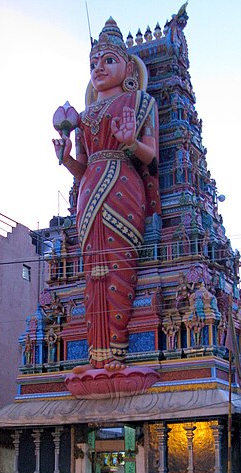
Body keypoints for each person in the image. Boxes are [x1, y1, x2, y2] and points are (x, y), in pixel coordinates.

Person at [53, 17, 160, 372]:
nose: (99, 68)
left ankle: (116, 352)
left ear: (128, 67)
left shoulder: (141, 101)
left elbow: (152, 154)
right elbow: (82, 167)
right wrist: (66, 157)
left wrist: (130, 141)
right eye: (94, 63)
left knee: (118, 267)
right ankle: (96, 356)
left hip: (123, 186)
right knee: (92, 273)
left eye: (108, 60)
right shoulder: (83, 117)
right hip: (89, 192)